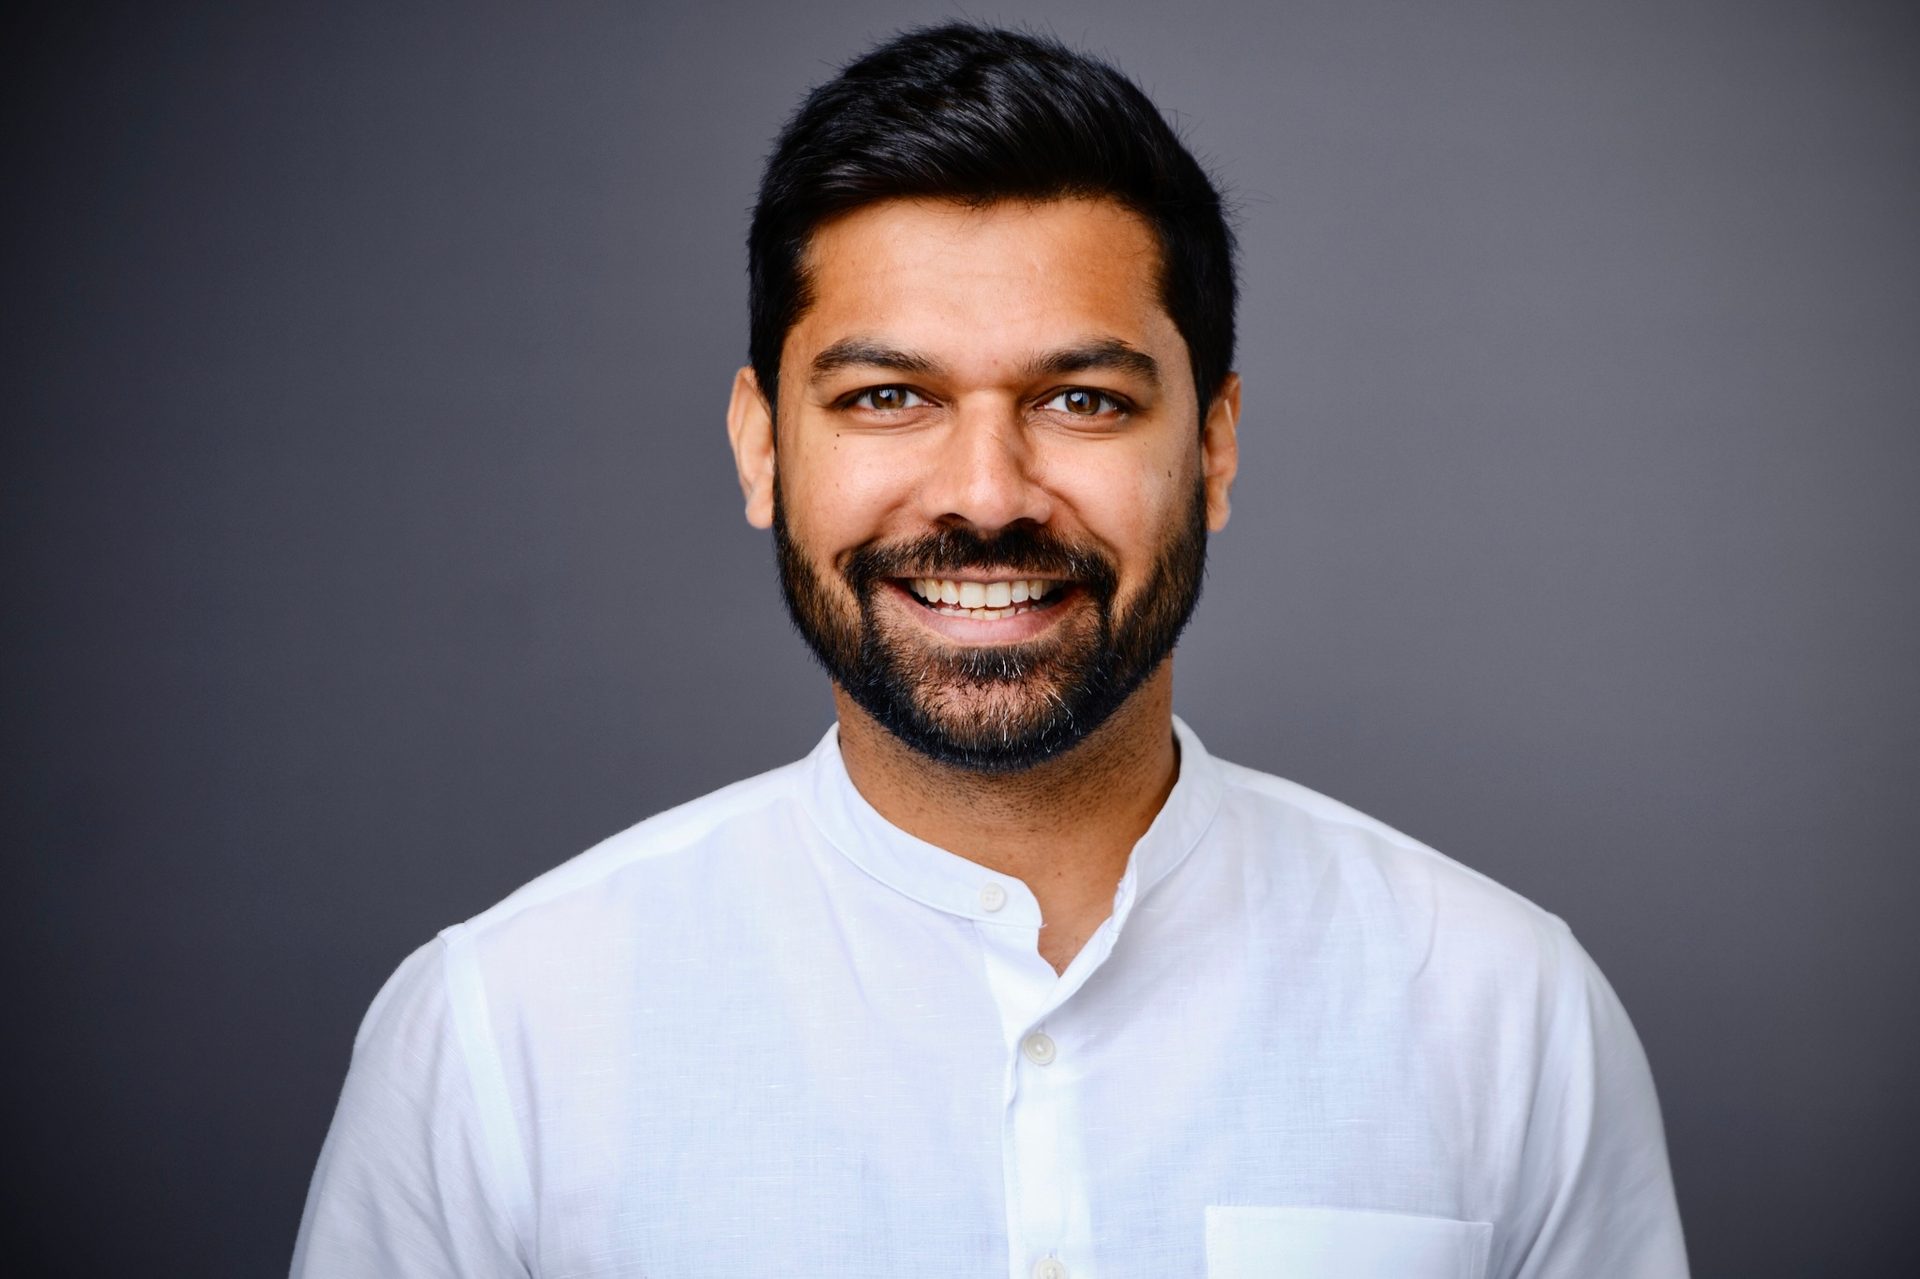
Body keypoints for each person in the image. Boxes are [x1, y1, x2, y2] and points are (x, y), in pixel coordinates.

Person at [292, 23, 1687, 1279]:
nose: (985, 494)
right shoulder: (498, 1039)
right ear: (761, 448)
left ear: (1214, 448)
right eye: (886, 395)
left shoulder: (1508, 1014)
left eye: (1081, 401)